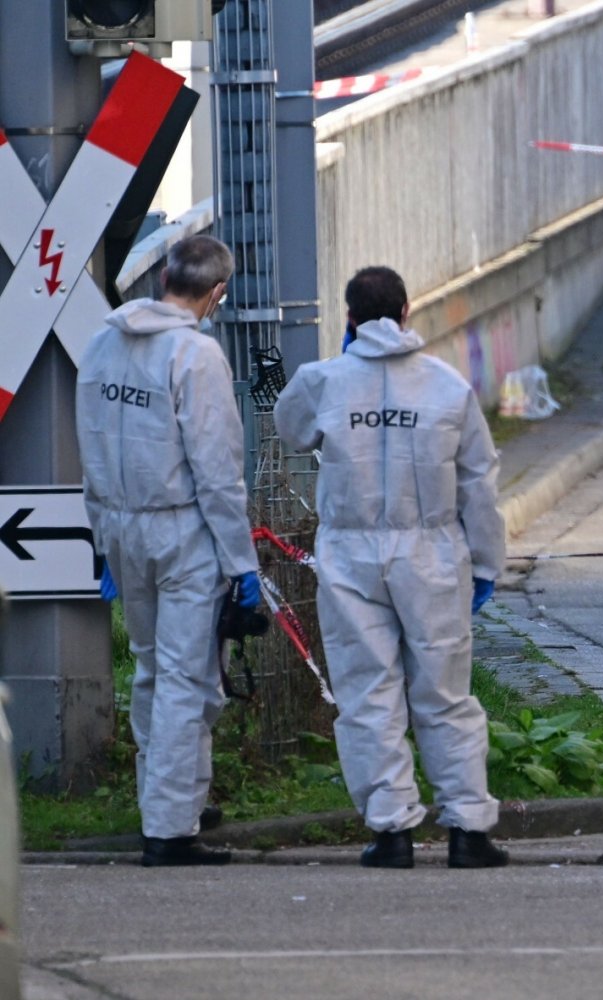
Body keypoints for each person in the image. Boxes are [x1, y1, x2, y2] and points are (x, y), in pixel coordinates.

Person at [273, 266, 508, 869]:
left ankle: (391, 830)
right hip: (431, 552)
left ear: (348, 317)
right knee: (445, 693)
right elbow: (479, 481)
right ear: (407, 311)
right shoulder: (446, 387)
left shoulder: (323, 381)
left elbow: (290, 428)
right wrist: (486, 563)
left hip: (350, 553)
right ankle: (469, 830)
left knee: (367, 692)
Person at [75, 234, 262, 867]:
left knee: (155, 669)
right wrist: (242, 566)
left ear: (163, 280)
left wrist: (102, 538)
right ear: (216, 293)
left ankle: (172, 797)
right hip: (182, 533)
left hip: (123, 530)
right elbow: (217, 470)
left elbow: (92, 445)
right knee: (189, 679)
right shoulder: (195, 355)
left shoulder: (103, 342)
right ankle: (171, 830)